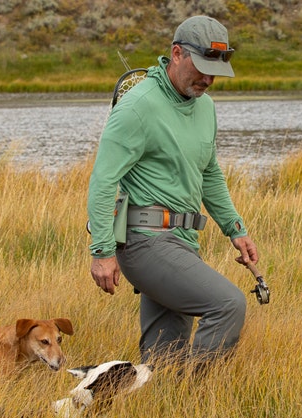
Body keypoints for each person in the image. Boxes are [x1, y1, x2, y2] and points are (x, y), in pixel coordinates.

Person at [87, 16, 259, 367]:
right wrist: (102, 251)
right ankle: (194, 397)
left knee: (165, 356)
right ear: (176, 53)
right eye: (201, 68)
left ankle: (164, 404)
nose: (208, 80)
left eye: (215, 73)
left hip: (183, 242)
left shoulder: (205, 107)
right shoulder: (138, 107)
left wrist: (235, 229)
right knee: (228, 304)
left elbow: (209, 172)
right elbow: (103, 181)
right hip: (144, 243)